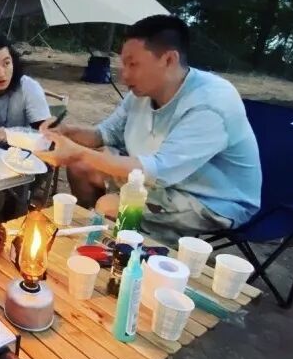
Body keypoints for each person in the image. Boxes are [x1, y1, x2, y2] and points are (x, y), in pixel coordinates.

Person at [38, 15, 262, 241]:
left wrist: (78, 152)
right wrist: (67, 132)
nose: (124, 75)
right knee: (81, 168)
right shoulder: (143, 92)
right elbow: (105, 134)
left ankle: (125, 247)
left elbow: (158, 171)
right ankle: (93, 233)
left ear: (169, 59)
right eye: (123, 64)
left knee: (110, 205)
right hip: (151, 178)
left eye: (133, 64)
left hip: (206, 199)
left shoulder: (211, 102)